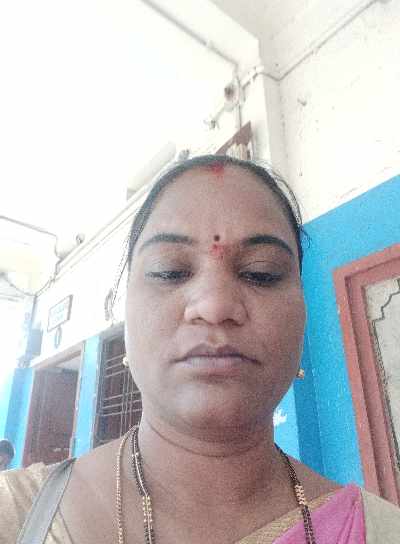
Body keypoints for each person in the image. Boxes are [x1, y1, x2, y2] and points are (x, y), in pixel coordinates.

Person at [1, 155, 400, 543]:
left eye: (261, 273)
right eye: (170, 271)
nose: (215, 306)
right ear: (124, 314)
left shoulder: (384, 531)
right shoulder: (14, 514)